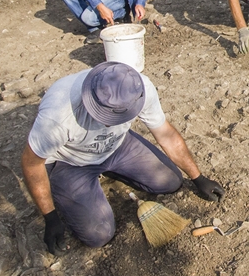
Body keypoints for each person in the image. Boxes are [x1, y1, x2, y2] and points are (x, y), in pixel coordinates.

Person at [21, 61, 225, 252]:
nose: (106, 121)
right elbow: (31, 164)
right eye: (104, 115)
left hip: (117, 146)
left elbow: (166, 135)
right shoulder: (59, 115)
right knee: (99, 234)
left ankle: (113, 170)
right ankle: (70, 186)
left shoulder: (138, 89)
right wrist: (50, 217)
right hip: (70, 163)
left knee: (170, 181)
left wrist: (198, 177)